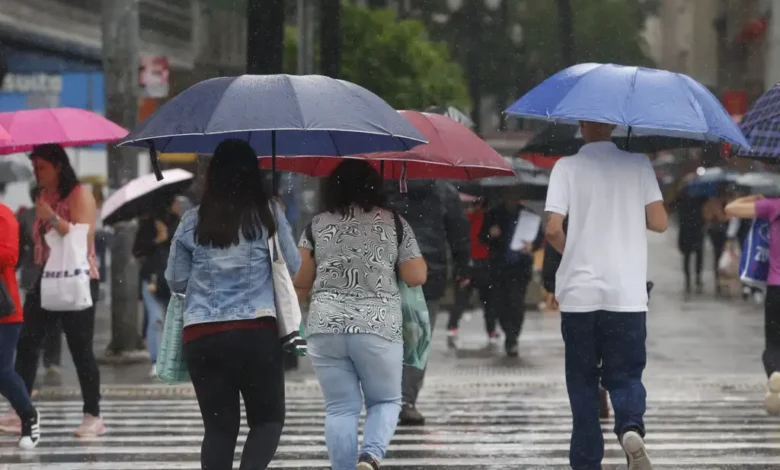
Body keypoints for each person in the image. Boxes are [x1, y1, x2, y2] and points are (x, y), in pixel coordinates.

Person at [165, 139, 300, 470]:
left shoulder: (192, 221)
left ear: (213, 175)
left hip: (203, 337)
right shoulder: (268, 213)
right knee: (267, 421)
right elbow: (293, 265)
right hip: (256, 333)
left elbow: (175, 280)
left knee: (219, 430)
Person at [545, 121, 667, 470]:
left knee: (583, 382)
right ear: (614, 125)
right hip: (626, 295)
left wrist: (574, 250)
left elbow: (553, 228)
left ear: (582, 125)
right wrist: (625, 215)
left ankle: (586, 461)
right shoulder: (639, 164)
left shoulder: (566, 167)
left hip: (580, 295)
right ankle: (630, 426)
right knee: (626, 375)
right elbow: (659, 222)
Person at [295, 160, 427, 470]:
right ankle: (370, 456)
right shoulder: (394, 223)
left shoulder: (316, 225)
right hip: (377, 325)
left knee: (340, 409)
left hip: (326, 326)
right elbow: (415, 275)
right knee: (385, 401)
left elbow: (301, 280)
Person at [4, 144, 105, 437]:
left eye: (42, 167)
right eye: (34, 168)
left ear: (58, 166)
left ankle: (93, 415)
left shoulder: (79, 194)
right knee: (27, 343)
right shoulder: (41, 195)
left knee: (80, 348)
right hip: (45, 279)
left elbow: (83, 238)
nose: (37, 173)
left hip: (78, 279)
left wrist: (51, 218)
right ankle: (19, 409)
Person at [387, 179, 470, 426]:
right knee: (417, 340)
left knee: (385, 337)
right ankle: (406, 400)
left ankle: (384, 398)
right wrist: (463, 266)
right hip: (427, 272)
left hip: (386, 269)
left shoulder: (382, 185)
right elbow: (458, 232)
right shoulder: (444, 190)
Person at [725, 194, 780, 415]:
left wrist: (753, 198)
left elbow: (731, 208)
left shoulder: (773, 206)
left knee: (774, 344)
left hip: (776, 289)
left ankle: (776, 372)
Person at [480, 195, 544, 357]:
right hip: (498, 267)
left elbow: (539, 238)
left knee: (516, 303)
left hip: (520, 267)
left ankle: (512, 337)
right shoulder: (493, 214)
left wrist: (532, 246)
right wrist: (490, 234)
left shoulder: (529, 215)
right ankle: (507, 329)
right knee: (500, 303)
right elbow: (482, 237)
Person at [0, 202, 41, 448]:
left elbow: (10, 255)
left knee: (2, 371)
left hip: (4, 311)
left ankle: (28, 416)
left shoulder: (3, 215)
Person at [132, 195, 181, 378]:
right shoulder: (148, 225)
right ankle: (156, 360)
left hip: (173, 278)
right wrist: (156, 240)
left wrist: (168, 237)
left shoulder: (179, 224)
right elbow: (137, 250)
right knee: (155, 318)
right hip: (151, 278)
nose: (178, 205)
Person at [447, 197, 495, 348]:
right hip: (476, 263)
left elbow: (459, 243)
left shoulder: (467, 219)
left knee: (465, 300)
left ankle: (453, 327)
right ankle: (491, 331)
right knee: (484, 302)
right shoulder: (472, 219)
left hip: (474, 263)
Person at [703, 185, 730, 295]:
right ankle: (719, 279)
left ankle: (722, 279)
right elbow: (708, 216)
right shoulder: (713, 203)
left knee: (721, 255)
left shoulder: (726, 203)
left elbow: (727, 217)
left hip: (722, 231)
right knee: (718, 254)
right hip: (716, 232)